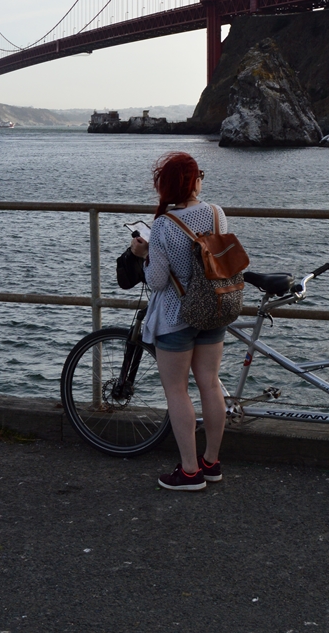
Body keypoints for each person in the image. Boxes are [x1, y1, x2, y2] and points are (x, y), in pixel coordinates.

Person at [129, 151, 227, 491]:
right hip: (212, 309)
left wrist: (144, 256)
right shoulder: (217, 213)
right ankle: (211, 463)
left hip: (176, 316)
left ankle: (188, 472)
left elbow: (156, 282)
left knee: (177, 391)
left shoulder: (164, 226)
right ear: (195, 181)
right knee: (211, 385)